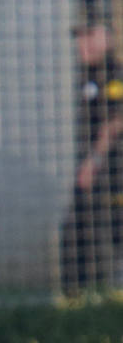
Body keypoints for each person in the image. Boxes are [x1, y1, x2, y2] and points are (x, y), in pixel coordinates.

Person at [61, 22, 123, 293]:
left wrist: (94, 161)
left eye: (89, 37)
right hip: (96, 170)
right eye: (79, 38)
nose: (82, 45)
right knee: (78, 230)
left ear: (106, 38)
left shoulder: (114, 75)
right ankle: (76, 295)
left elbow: (116, 120)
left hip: (112, 171)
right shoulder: (88, 74)